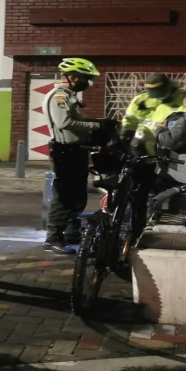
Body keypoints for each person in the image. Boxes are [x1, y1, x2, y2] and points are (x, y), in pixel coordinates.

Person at [43, 57, 111, 255]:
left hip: (76, 151)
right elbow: (64, 123)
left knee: (78, 195)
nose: (88, 83)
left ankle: (72, 233)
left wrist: (97, 122)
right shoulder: (59, 97)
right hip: (65, 151)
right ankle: (53, 238)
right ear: (72, 77)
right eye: (86, 78)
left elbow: (76, 121)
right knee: (64, 196)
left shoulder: (70, 95)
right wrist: (97, 125)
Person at [121, 74, 186, 155]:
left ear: (168, 86)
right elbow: (129, 119)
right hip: (142, 142)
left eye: (160, 91)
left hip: (168, 143)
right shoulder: (142, 99)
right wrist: (126, 136)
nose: (157, 96)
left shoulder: (184, 100)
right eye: (154, 92)